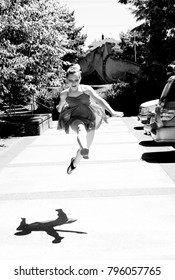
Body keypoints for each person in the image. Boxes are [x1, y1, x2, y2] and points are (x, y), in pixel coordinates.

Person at [56, 64, 123, 174]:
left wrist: (112, 111)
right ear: (66, 80)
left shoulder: (86, 90)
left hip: (89, 118)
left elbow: (99, 100)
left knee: (86, 146)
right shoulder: (64, 94)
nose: (73, 83)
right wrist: (59, 108)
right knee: (80, 129)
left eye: (76, 80)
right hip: (74, 118)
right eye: (70, 80)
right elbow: (59, 108)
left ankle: (74, 163)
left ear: (80, 79)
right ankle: (84, 148)